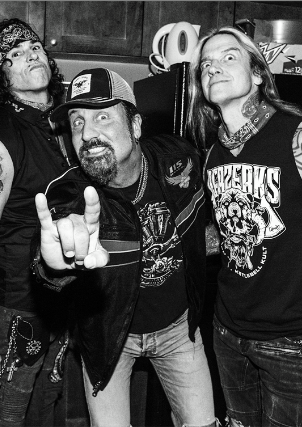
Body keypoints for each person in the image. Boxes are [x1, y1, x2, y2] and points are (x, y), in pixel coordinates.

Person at [34, 67, 217, 427]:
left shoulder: (178, 159)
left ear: (135, 126)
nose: (87, 134)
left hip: (178, 329)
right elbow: (50, 245)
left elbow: (210, 214)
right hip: (108, 339)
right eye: (77, 122)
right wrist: (54, 264)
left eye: (102, 117)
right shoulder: (69, 194)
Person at [0, 18, 76, 426]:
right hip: (15, 310)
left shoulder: (65, 127)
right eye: (14, 54)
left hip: (61, 303)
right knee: (6, 418)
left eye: (34, 47)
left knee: (44, 413)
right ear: (2, 76)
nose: (30, 55)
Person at [187, 26, 302, 426]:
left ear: (256, 73)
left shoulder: (295, 133)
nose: (213, 67)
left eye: (228, 57)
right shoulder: (213, 154)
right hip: (228, 330)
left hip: (290, 339)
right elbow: (225, 232)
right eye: (206, 64)